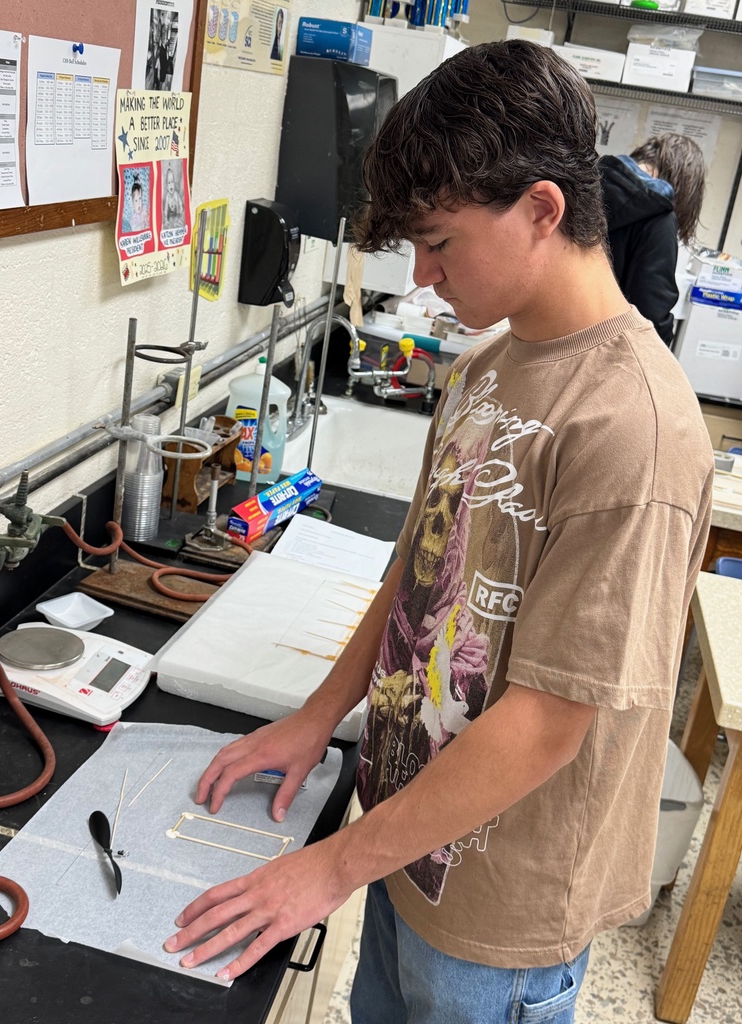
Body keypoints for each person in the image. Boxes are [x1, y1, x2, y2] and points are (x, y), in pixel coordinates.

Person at [164, 41, 714, 1022]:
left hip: (501, 909)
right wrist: (314, 719)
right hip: (408, 840)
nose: (420, 276)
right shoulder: (487, 366)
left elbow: (550, 719)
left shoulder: (634, 423)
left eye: (440, 242)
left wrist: (329, 865)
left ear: (543, 209)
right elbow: (410, 583)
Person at [600, 133, 707, 346]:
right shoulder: (659, 217)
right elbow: (652, 317)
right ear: (682, 182)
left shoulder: (591, 181)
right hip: (609, 351)